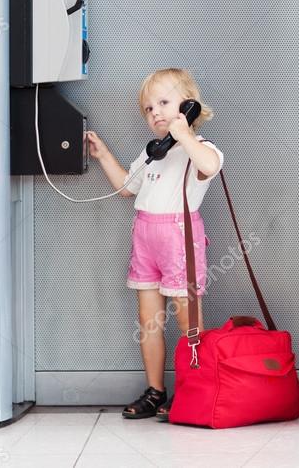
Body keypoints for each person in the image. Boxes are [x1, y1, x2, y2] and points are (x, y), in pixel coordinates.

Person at [86, 68, 224, 418]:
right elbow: (126, 186)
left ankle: (194, 389)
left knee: (187, 323)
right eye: (149, 109)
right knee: (148, 322)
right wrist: (103, 155)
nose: (155, 112)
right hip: (146, 239)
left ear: (188, 106)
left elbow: (210, 165)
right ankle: (155, 392)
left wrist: (184, 133)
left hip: (179, 240)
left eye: (163, 103)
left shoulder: (201, 150)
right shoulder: (152, 155)